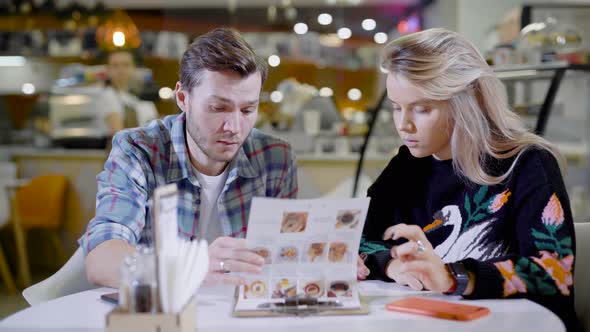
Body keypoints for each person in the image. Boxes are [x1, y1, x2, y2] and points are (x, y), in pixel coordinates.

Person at [357, 28, 578, 331]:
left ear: (465, 103)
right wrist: (391, 264)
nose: (403, 124)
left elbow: (555, 272)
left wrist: (454, 277)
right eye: (396, 108)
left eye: (421, 109)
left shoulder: (527, 163)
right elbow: (358, 239)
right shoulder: (406, 166)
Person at [80, 28, 298, 288]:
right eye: (219, 108)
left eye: (248, 109)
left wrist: (325, 261)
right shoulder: (138, 151)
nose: (235, 127)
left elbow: (285, 252)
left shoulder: (275, 158)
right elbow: (101, 260)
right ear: (183, 98)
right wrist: (191, 267)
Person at [101, 49, 158, 137]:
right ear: (108, 70)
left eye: (126, 65)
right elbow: (120, 136)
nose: (121, 70)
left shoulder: (138, 97)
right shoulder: (108, 95)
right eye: (115, 66)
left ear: (134, 68)